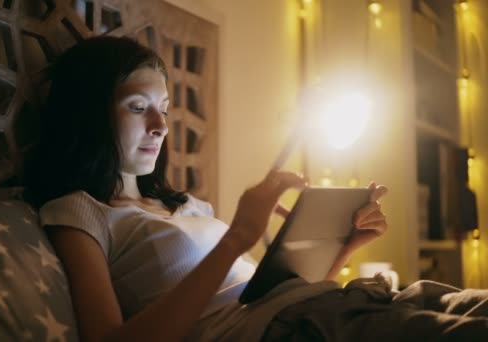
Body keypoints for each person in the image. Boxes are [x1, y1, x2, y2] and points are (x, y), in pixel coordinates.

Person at [25, 36, 487, 341]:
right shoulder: (80, 211)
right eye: (138, 106)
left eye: (164, 107)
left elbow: (263, 293)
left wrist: (341, 250)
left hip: (338, 304)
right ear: (89, 114)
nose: (161, 125)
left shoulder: (188, 205)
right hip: (294, 330)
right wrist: (237, 241)